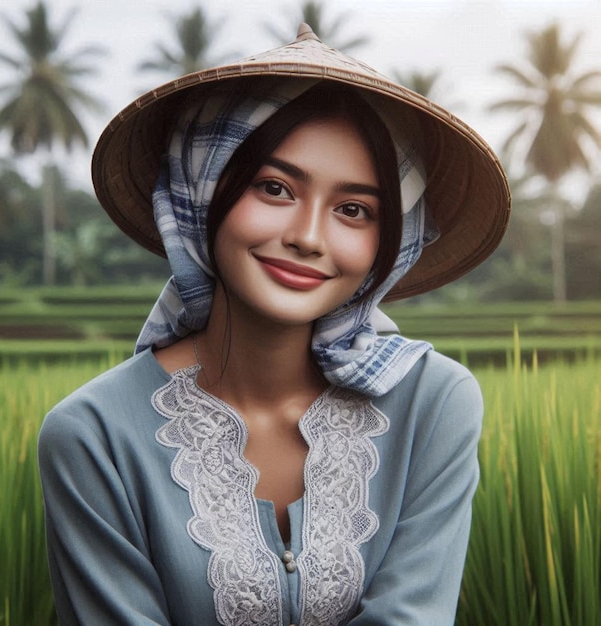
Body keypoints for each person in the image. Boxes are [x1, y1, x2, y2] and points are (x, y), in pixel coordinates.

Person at [38, 24, 510, 626]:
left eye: (353, 210)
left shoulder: (434, 402)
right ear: (204, 192)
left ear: (389, 241)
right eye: (275, 187)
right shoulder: (93, 436)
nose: (308, 237)